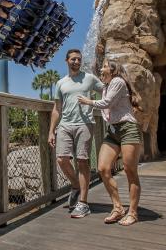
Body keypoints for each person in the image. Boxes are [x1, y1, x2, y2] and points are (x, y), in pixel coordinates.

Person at [78, 59, 143, 226]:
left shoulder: (118, 81)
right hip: (113, 131)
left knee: (130, 170)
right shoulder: (107, 86)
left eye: (105, 66)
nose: (101, 68)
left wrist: (88, 101)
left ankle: (133, 213)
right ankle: (118, 207)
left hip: (128, 128)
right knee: (103, 168)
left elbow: (106, 103)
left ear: (114, 70)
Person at [48, 49, 104, 218]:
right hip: (65, 124)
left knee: (82, 162)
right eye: (73, 59)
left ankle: (83, 203)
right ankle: (75, 185)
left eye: (79, 59)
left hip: (85, 124)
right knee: (61, 159)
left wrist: (94, 103)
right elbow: (57, 109)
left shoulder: (90, 79)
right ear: (66, 61)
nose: (76, 62)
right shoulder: (61, 83)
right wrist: (51, 131)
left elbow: (107, 92)